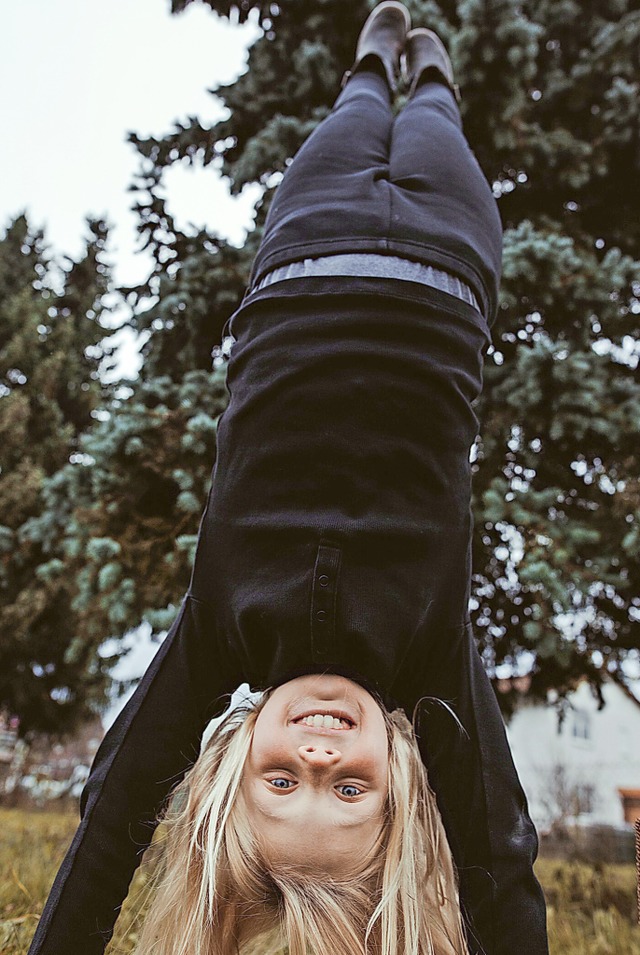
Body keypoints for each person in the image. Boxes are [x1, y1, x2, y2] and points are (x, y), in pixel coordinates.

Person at [27, 3, 549, 954]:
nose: (318, 754)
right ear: (402, 776)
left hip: (305, 251)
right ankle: (429, 68)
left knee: (354, 113)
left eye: (284, 782)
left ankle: (372, 59)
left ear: (230, 765)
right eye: (348, 790)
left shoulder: (218, 627)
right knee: (433, 120)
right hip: (449, 260)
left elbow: (110, 819)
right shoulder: (429, 656)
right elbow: (501, 857)